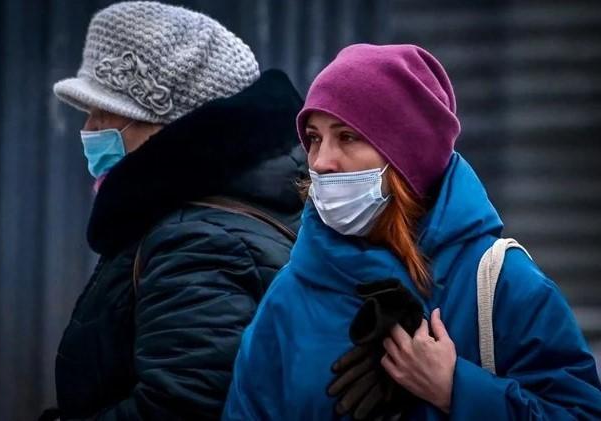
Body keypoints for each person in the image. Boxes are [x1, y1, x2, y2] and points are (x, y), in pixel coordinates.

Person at [222, 44, 601, 420]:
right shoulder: (291, 293)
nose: (321, 162)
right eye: (315, 138)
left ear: (407, 156)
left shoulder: (501, 282)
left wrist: (456, 390)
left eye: (347, 137)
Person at [41, 2, 305, 420]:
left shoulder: (198, 243)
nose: (88, 130)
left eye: (104, 113)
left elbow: (181, 407)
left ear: (171, 125)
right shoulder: (189, 217)